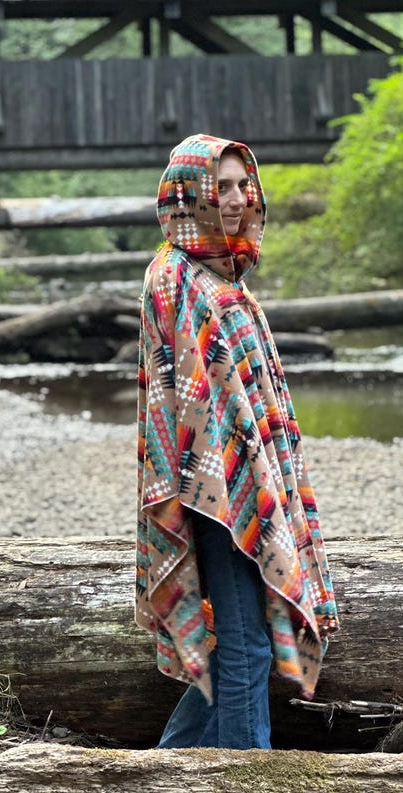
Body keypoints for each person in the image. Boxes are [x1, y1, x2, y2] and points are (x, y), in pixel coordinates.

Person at [136, 133, 339, 750]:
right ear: (185, 194)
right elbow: (180, 399)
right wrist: (225, 478)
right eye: (217, 187)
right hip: (209, 490)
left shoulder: (227, 279)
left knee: (237, 649)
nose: (233, 198)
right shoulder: (175, 275)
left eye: (240, 185)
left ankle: (166, 786)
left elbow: (251, 397)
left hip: (237, 480)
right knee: (246, 644)